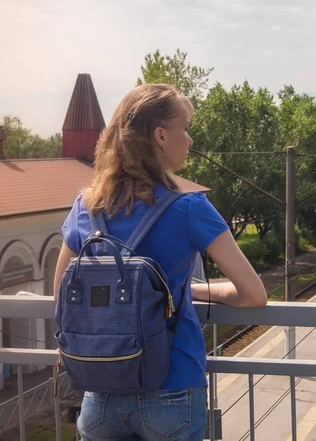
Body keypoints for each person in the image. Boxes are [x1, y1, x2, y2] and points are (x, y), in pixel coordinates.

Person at [53, 84, 268, 441]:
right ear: (161, 136)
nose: (190, 139)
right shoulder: (190, 208)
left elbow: (62, 295)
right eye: (185, 128)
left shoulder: (87, 207)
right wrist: (197, 292)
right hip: (172, 389)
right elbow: (253, 294)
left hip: (101, 392)